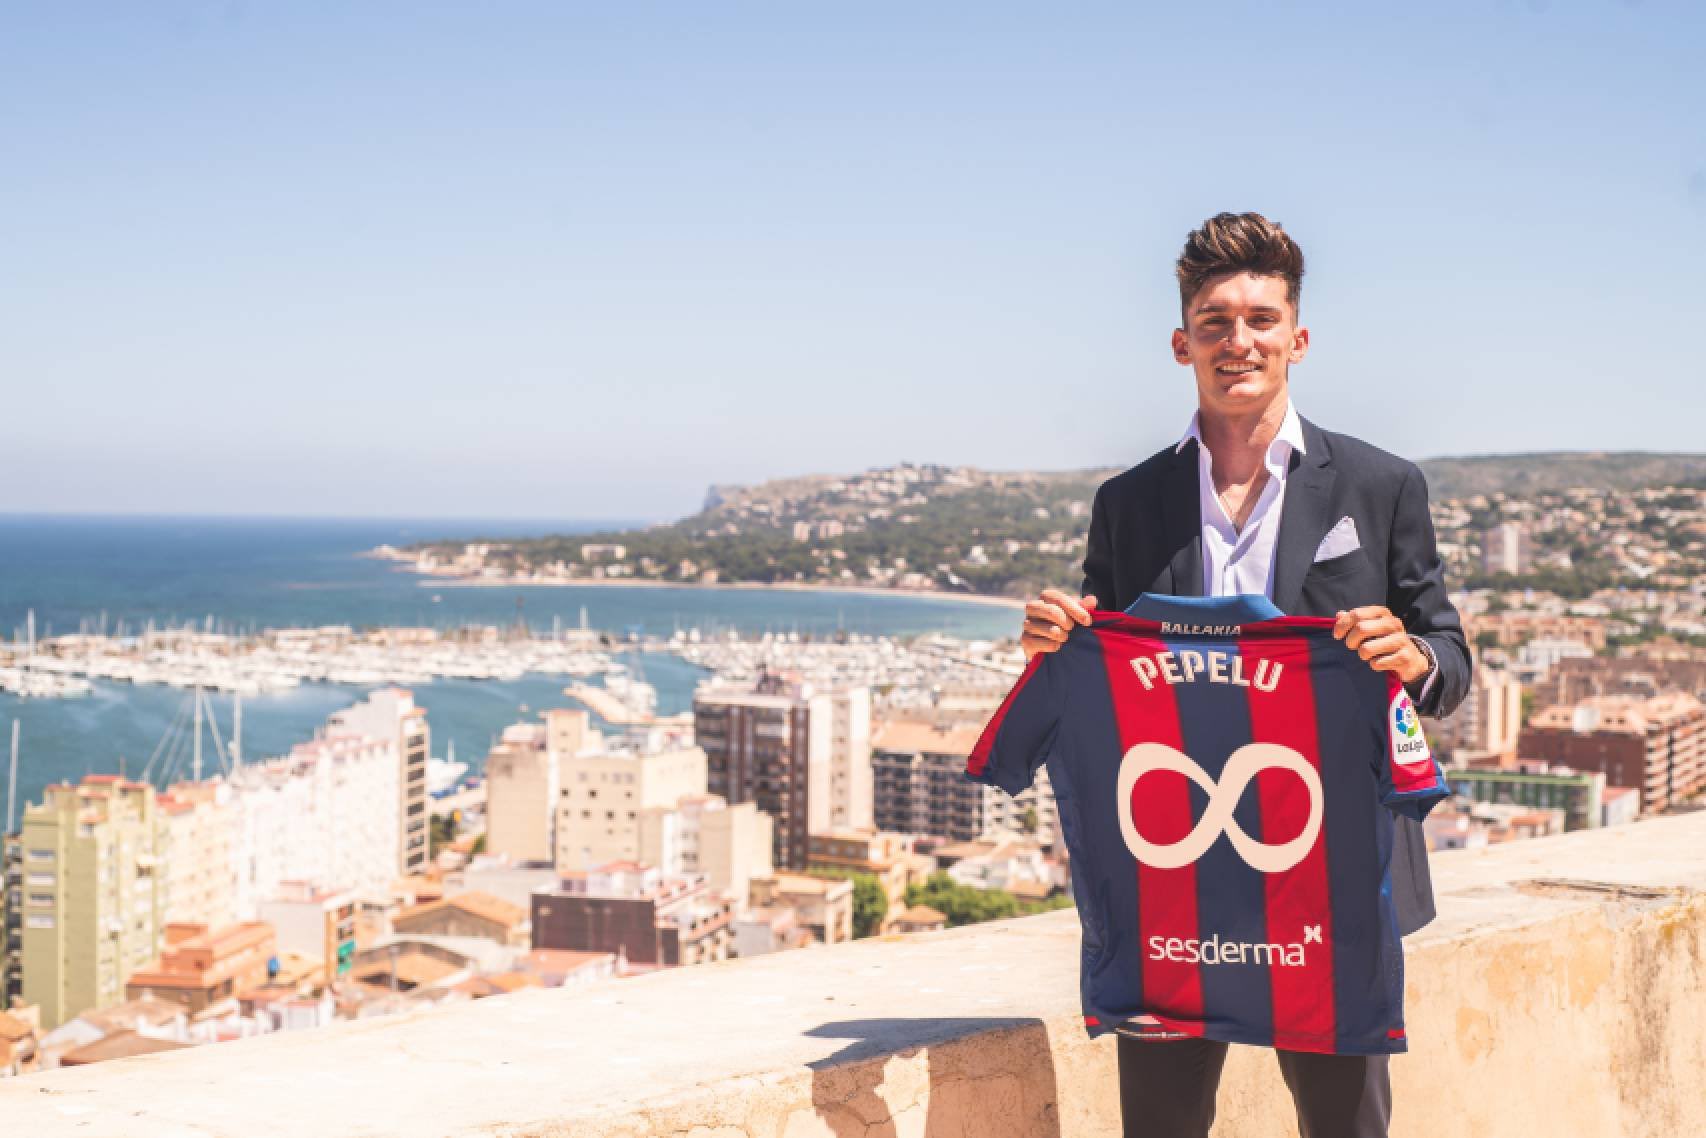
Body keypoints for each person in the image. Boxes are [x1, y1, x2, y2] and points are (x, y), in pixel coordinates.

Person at [1022, 211, 1470, 1138]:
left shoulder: (1380, 486)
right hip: (1172, 876)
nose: (1240, 341)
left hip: (1334, 874)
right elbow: (1106, 664)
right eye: (1215, 321)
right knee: (1160, 1126)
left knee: (1344, 1129)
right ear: (1181, 342)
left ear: (1297, 339)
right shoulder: (1128, 502)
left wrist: (1414, 658)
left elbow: (1450, 657)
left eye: (1262, 319)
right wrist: (1056, 641)